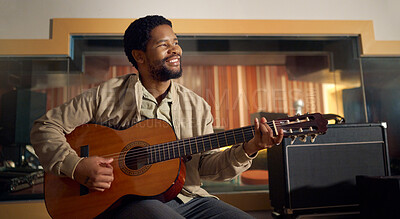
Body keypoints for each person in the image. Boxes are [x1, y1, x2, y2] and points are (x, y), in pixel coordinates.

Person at [30, 15, 284, 218]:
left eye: (175, 42)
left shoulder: (197, 106)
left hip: (189, 199)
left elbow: (207, 167)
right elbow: (44, 127)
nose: (175, 50)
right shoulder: (105, 95)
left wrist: (250, 148)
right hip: (125, 201)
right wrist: (76, 166)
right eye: (164, 44)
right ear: (139, 56)